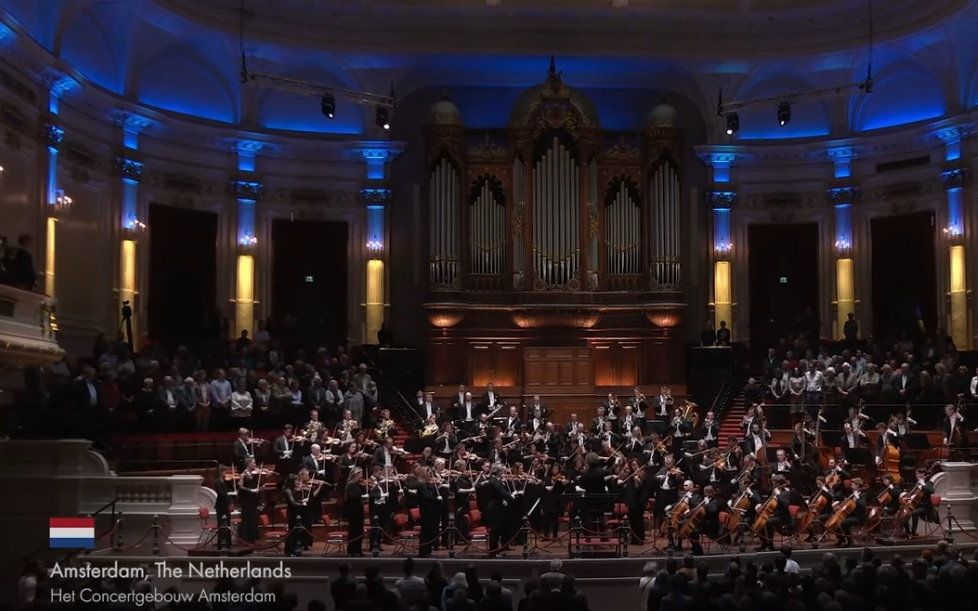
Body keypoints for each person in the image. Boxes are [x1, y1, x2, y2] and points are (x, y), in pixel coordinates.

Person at [343, 468, 367, 556]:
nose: (362, 476)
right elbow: (354, 496)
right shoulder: (351, 484)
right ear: (356, 475)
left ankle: (358, 549)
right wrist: (362, 495)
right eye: (360, 474)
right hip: (353, 511)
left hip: (358, 510)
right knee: (354, 531)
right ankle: (352, 550)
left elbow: (361, 492)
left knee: (359, 531)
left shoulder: (357, 484)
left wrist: (363, 487)